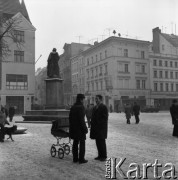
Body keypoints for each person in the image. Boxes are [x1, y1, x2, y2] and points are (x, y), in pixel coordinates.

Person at [69, 94, 88, 164]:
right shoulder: (81, 107)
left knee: (75, 143)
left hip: (74, 128)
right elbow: (81, 119)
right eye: (83, 99)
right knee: (82, 143)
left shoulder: (73, 107)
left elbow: (70, 118)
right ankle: (81, 159)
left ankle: (75, 158)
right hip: (80, 129)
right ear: (81, 99)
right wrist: (85, 128)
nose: (84, 100)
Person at [90, 95, 109, 161]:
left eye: (97, 99)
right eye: (95, 99)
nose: (96, 100)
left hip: (101, 128)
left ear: (101, 99)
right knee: (97, 142)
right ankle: (99, 155)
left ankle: (103, 156)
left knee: (102, 142)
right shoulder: (95, 107)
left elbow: (105, 118)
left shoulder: (103, 107)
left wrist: (99, 123)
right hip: (96, 128)